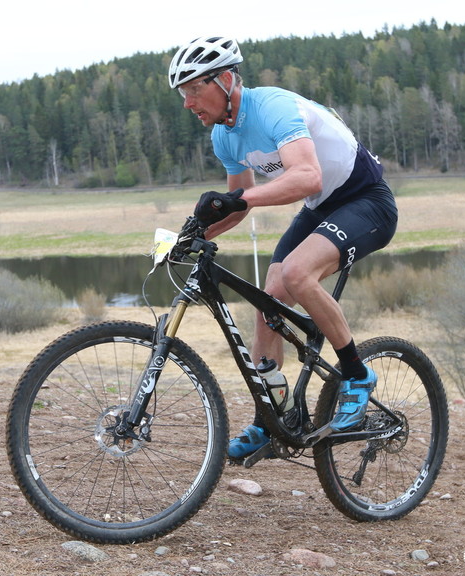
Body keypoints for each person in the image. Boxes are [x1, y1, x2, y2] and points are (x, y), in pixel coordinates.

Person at [168, 36, 398, 458]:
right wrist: (196, 233)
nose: (188, 103)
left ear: (223, 80)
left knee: (295, 274)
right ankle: (274, 418)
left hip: (366, 201)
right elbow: (237, 208)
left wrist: (236, 200)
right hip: (322, 207)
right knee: (267, 295)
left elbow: (308, 175)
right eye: (183, 94)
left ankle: (356, 374)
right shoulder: (225, 136)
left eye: (194, 90)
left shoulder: (271, 106)